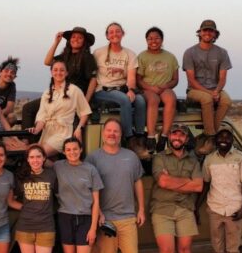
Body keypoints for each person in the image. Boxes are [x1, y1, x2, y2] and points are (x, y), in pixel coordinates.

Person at [87, 118, 146, 253]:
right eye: (109, 130)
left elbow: (138, 182)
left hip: (129, 216)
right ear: (103, 134)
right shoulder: (93, 158)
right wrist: (97, 214)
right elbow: (88, 188)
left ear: (121, 135)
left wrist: (141, 209)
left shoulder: (131, 157)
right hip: (106, 219)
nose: (112, 134)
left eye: (116, 131)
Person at [150, 124, 204, 253]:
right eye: (174, 133)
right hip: (162, 209)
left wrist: (174, 182)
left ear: (186, 139)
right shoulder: (159, 157)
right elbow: (162, 182)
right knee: (166, 251)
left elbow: (199, 186)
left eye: (181, 135)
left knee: (185, 250)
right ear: (169, 137)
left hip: (185, 209)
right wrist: (186, 183)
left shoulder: (193, 160)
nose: (177, 137)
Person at [53, 137, 102, 253]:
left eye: (75, 149)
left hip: (84, 220)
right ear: (64, 151)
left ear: (80, 150)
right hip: (65, 217)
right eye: (68, 150)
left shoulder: (90, 170)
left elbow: (96, 201)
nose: (72, 152)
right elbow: (38, 159)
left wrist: (93, 228)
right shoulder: (58, 166)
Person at [14, 144, 58, 253]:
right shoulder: (22, 178)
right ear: (27, 160)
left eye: (38, 157)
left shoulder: (51, 175)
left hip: (46, 227)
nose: (35, 160)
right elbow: (11, 199)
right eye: (32, 157)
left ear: (44, 158)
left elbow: (59, 196)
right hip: (25, 227)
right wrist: (24, 208)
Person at [91, 22, 148, 159]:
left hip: (122, 88)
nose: (114, 34)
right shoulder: (98, 53)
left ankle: (139, 137)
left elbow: (131, 77)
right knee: (124, 99)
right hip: (102, 90)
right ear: (107, 36)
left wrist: (131, 90)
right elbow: (92, 76)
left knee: (140, 100)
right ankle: (129, 138)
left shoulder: (129, 54)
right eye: (111, 32)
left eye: (118, 31)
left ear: (123, 34)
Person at [22, 27, 97, 129]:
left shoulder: (87, 57)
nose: (76, 39)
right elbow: (47, 62)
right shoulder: (64, 56)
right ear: (69, 40)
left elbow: (93, 79)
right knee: (28, 108)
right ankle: (27, 141)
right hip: (57, 94)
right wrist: (56, 42)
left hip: (73, 96)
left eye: (80, 38)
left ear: (84, 41)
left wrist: (86, 101)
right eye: (73, 37)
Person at [183, 20, 233, 155]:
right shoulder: (190, 52)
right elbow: (191, 80)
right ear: (199, 33)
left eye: (211, 31)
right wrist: (210, 93)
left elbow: (222, 78)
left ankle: (210, 135)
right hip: (195, 90)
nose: (207, 33)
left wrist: (216, 91)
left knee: (226, 101)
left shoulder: (222, 53)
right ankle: (211, 137)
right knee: (206, 99)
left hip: (216, 89)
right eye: (205, 30)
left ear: (215, 34)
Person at [29, 60, 92, 157]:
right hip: (47, 132)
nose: (58, 73)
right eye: (55, 70)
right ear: (51, 72)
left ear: (67, 73)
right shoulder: (47, 93)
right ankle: (60, 169)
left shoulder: (74, 90)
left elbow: (85, 112)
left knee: (39, 155)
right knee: (33, 155)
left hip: (63, 132)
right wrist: (36, 130)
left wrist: (79, 128)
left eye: (62, 70)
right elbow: (42, 116)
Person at [136, 27, 179, 153]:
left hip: (164, 88)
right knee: (153, 100)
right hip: (147, 88)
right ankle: (151, 136)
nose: (153, 41)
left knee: (171, 99)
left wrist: (165, 86)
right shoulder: (142, 56)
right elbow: (138, 80)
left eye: (156, 38)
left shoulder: (170, 57)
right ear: (146, 40)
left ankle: (164, 136)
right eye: (150, 38)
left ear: (162, 39)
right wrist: (151, 88)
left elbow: (175, 79)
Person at [0, 57, 19, 126]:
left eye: (12, 72)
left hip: (0, 116)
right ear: (0, 72)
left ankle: (1, 135)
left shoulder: (12, 86)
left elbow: (9, 109)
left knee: (12, 117)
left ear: (15, 76)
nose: (9, 74)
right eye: (6, 71)